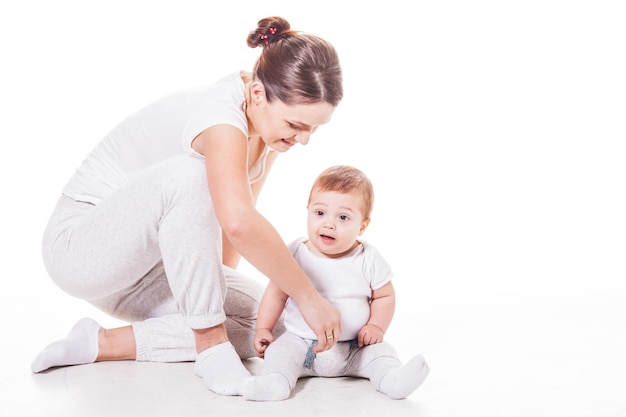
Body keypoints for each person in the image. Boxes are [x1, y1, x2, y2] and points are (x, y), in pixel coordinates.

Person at [30, 16, 344, 397]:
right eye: (296, 125)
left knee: (275, 323)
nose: (304, 139)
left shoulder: (268, 130)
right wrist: (308, 295)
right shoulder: (220, 118)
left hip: (149, 266)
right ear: (258, 93)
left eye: (314, 128)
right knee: (190, 176)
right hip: (79, 249)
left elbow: (233, 231)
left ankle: (100, 344)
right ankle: (211, 348)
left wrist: (208, 295)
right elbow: (239, 223)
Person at [242, 165, 430, 401]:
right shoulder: (295, 252)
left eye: (343, 217)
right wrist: (264, 328)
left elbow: (384, 296)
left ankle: (392, 380)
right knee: (279, 353)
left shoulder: (368, 258)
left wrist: (376, 327)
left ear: (362, 226)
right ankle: (274, 383)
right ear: (308, 211)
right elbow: (276, 292)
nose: (329, 224)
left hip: (354, 348)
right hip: (300, 343)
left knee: (382, 353)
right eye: (320, 213)